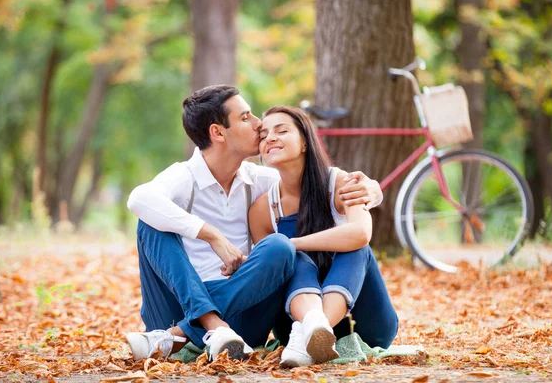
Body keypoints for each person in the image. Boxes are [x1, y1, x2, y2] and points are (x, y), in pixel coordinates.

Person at [124, 85, 383, 362]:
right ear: (218, 132)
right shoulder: (184, 178)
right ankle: (211, 326)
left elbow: (311, 181)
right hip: (176, 305)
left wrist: (372, 190)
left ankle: (183, 334)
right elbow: (139, 198)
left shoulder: (259, 181)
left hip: (242, 316)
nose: (260, 125)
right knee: (149, 223)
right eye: (246, 117)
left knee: (280, 247)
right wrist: (211, 235)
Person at [248, 105, 398, 367]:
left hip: (365, 325)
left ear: (305, 142)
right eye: (263, 135)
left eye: (281, 130)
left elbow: (361, 233)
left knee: (356, 248)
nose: (270, 137)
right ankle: (310, 329)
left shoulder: (340, 183)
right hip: (292, 325)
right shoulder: (262, 209)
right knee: (292, 258)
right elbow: (269, 274)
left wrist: (293, 243)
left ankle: (315, 329)